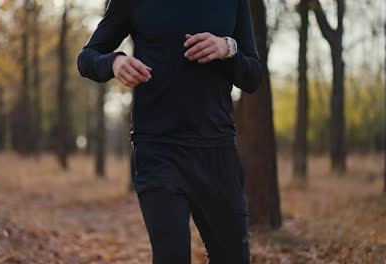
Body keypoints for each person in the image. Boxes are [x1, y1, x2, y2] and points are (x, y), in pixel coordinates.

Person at [77, 0, 261, 262]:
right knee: (171, 256)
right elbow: (87, 57)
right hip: (157, 149)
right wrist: (114, 63)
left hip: (217, 152)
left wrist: (227, 47)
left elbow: (252, 77)